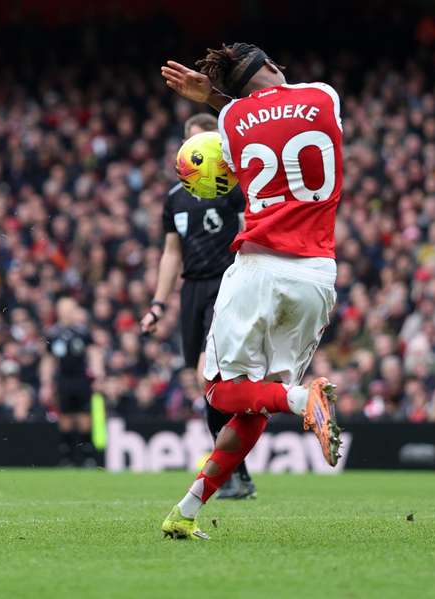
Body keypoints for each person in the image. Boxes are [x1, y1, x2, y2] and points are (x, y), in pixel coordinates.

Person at [158, 43, 343, 540]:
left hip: (259, 267)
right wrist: (223, 95)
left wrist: (217, 98)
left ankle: (304, 398)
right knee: (254, 404)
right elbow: (283, 117)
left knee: (221, 390)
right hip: (316, 275)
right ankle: (186, 510)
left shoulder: (232, 121)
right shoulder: (323, 97)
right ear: (271, 67)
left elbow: (251, 118)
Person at [141, 113, 256, 500]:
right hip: (191, 291)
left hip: (227, 285)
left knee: (210, 372)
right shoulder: (174, 198)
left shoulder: (235, 189)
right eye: (193, 146)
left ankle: (227, 473)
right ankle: (236, 471)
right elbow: (171, 253)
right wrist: (158, 304)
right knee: (204, 384)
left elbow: (249, 236)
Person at [40, 297, 105, 466]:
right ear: (59, 311)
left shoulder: (83, 332)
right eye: (65, 308)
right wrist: (46, 383)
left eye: (71, 308)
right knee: (65, 418)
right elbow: (48, 360)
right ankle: (67, 457)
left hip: (81, 379)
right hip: (63, 380)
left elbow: (94, 354)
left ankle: (87, 457)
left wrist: (98, 376)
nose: (68, 312)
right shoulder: (53, 333)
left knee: (84, 417)